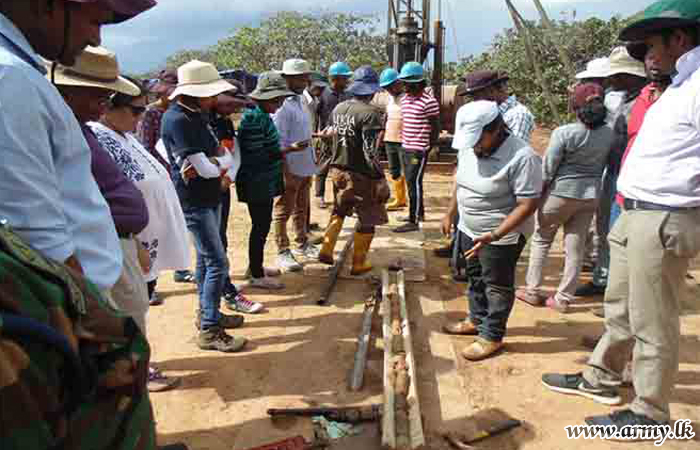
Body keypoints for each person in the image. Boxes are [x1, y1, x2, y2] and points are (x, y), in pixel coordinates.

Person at [0, 0, 168, 449]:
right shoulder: (10, 80)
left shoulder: (20, 72)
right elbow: (37, 234)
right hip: (68, 309)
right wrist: (89, 330)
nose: (95, 36)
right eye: (94, 18)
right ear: (46, 6)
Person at [542, 0, 700, 433]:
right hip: (636, 212)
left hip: (664, 217)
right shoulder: (678, 87)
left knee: (653, 321)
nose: (649, 56)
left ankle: (650, 411)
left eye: (652, 45)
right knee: (621, 309)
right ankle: (601, 377)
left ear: (679, 39)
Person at [441, 101, 542, 360]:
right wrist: (451, 212)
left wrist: (495, 234)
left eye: (479, 139)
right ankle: (476, 318)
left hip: (501, 235)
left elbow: (528, 204)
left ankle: (492, 335)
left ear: (496, 129)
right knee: (474, 276)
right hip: (468, 227)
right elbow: (460, 182)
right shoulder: (468, 148)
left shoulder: (523, 157)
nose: (475, 146)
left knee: (496, 285)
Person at [162, 60, 249, 352]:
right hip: (194, 199)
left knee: (205, 259)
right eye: (210, 93)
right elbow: (206, 166)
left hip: (208, 195)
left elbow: (220, 157)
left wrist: (215, 163)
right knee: (217, 261)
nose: (215, 99)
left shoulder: (196, 114)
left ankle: (207, 315)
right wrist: (216, 164)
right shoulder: (178, 120)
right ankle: (210, 329)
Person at [516, 83, 614, 312]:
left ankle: (532, 290)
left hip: (560, 194)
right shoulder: (610, 134)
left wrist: (537, 197)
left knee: (542, 239)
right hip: (590, 195)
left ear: (576, 107)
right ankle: (563, 298)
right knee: (576, 247)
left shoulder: (565, 133)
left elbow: (548, 169)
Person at [575, 47, 648, 299]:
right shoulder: (619, 98)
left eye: (616, 75)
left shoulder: (650, 100)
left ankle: (621, 290)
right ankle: (604, 279)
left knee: (624, 233)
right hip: (613, 170)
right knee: (606, 227)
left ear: (632, 74)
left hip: (636, 177)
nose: (611, 81)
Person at [238, 72, 308, 289]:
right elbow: (258, 154)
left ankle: (255, 266)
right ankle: (257, 276)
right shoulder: (253, 119)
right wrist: (289, 149)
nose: (279, 106)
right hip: (256, 182)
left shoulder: (262, 116)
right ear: (264, 98)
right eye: (276, 101)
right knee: (260, 227)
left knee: (262, 225)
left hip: (264, 180)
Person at [318, 66, 390, 274]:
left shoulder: (339, 108)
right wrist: (380, 178)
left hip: (338, 170)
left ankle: (327, 247)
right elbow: (370, 152)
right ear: (372, 90)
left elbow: (330, 136)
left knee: (339, 209)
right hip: (361, 175)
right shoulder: (370, 114)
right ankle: (358, 263)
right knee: (368, 217)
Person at [137, 69, 197, 285]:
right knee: (155, 226)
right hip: (158, 177)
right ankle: (150, 279)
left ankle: (180, 268)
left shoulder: (180, 113)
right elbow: (146, 147)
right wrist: (167, 168)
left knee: (178, 222)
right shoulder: (150, 114)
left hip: (178, 175)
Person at [208, 84, 264, 313]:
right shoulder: (202, 122)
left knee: (221, 238)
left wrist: (229, 177)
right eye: (229, 104)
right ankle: (227, 293)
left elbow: (234, 153)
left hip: (222, 187)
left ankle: (223, 287)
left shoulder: (225, 122)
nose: (232, 109)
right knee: (213, 244)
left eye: (236, 105)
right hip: (205, 189)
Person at [272, 58, 320, 272]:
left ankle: (302, 243)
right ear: (287, 79)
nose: (305, 81)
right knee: (283, 210)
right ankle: (283, 250)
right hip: (289, 166)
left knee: (302, 207)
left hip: (305, 164)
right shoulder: (282, 107)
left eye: (305, 77)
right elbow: (278, 141)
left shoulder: (301, 101)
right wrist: (285, 167)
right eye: (300, 78)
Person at [393, 62, 440, 233]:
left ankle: (413, 221)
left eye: (407, 83)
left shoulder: (429, 102)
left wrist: (431, 147)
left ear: (417, 83)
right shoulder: (405, 99)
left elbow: (435, 127)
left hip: (419, 150)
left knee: (414, 183)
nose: (404, 86)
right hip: (405, 147)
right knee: (411, 181)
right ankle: (417, 214)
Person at [315, 61, 352, 209]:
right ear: (334, 79)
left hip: (343, 137)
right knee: (323, 166)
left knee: (342, 168)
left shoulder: (349, 95)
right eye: (344, 78)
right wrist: (318, 134)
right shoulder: (323, 95)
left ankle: (341, 196)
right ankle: (319, 195)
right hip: (327, 138)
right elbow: (316, 115)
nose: (347, 81)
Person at [458, 70, 535, 142]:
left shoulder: (517, 115)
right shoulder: (488, 113)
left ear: (492, 90)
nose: (475, 101)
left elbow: (515, 151)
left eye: (476, 96)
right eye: (473, 97)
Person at [372, 68, 407, 211]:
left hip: (404, 140)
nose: (389, 90)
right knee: (394, 170)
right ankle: (400, 199)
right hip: (390, 139)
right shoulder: (389, 99)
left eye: (390, 86)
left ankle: (407, 198)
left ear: (399, 83)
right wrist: (379, 140)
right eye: (386, 88)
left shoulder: (407, 98)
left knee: (407, 171)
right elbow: (385, 120)